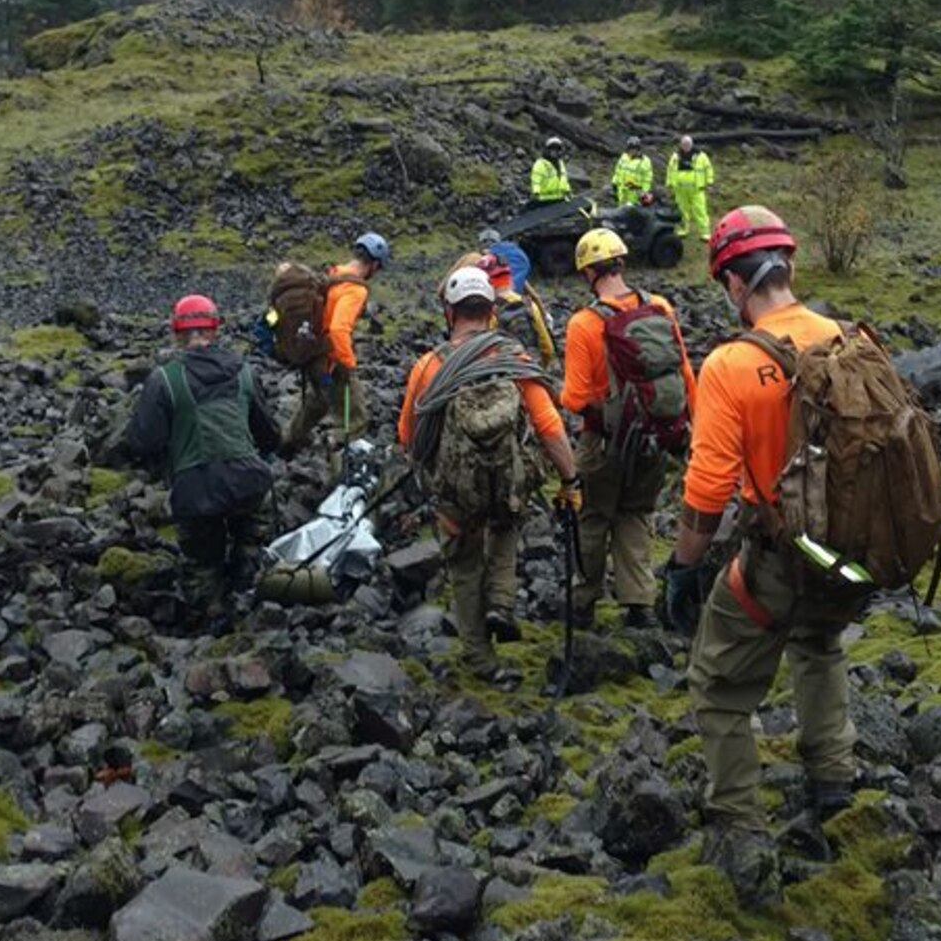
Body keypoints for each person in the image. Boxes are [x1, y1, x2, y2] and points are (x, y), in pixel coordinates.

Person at [663, 205, 855, 904]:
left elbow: (708, 489)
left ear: (731, 285)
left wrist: (684, 568)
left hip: (777, 558)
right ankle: (832, 777)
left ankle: (739, 826)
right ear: (790, 269)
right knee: (819, 646)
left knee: (717, 687)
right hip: (846, 555)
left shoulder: (731, 365)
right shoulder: (844, 338)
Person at [399, 265, 577, 681]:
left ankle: (481, 659)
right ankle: (501, 602)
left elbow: (409, 437)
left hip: (455, 492)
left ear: (450, 311)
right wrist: (571, 479)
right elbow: (550, 427)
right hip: (506, 482)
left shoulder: (429, 367)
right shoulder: (514, 359)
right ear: (492, 311)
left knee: (463, 567)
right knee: (506, 526)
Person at [561, 227, 697, 631]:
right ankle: (639, 604)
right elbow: (685, 373)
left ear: (588, 272)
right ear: (622, 262)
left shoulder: (584, 324)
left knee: (593, 517)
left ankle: (583, 603)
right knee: (636, 515)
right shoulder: (660, 307)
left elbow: (574, 397)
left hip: (603, 443)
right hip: (654, 436)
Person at [123, 293, 281, 627]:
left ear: (177, 332)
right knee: (252, 546)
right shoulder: (244, 372)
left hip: (195, 491)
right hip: (249, 483)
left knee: (202, 565)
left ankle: (209, 623)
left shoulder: (163, 379)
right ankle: (249, 604)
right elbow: (269, 434)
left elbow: (142, 441)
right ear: (215, 328)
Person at [283, 231, 390, 458]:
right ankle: (341, 468)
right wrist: (348, 364)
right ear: (374, 264)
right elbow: (338, 329)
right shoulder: (355, 289)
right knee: (356, 418)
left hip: (311, 353)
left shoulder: (333, 274)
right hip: (329, 360)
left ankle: (286, 443)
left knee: (318, 401)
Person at [666, 134, 714, 240]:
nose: (686, 146)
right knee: (682, 210)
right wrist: (669, 182)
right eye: (684, 144)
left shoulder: (700, 156)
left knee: (700, 210)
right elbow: (670, 169)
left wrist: (709, 182)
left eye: (688, 144)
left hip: (697, 188)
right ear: (681, 145)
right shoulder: (676, 156)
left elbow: (708, 169)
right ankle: (683, 230)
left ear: (691, 144)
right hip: (680, 189)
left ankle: (705, 232)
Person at [612, 138, 654, 206]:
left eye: (634, 149)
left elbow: (647, 179)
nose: (632, 151)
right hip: (622, 192)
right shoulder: (623, 157)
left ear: (638, 149)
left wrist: (644, 192)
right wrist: (614, 182)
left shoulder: (645, 161)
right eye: (630, 149)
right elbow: (617, 171)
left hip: (635, 193)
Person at [530, 136, 571, 203]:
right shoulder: (540, 164)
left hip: (559, 198)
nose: (554, 152)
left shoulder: (560, 163)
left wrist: (568, 190)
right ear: (547, 150)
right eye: (552, 149)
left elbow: (564, 178)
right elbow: (535, 180)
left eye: (557, 150)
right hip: (544, 199)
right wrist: (536, 193)